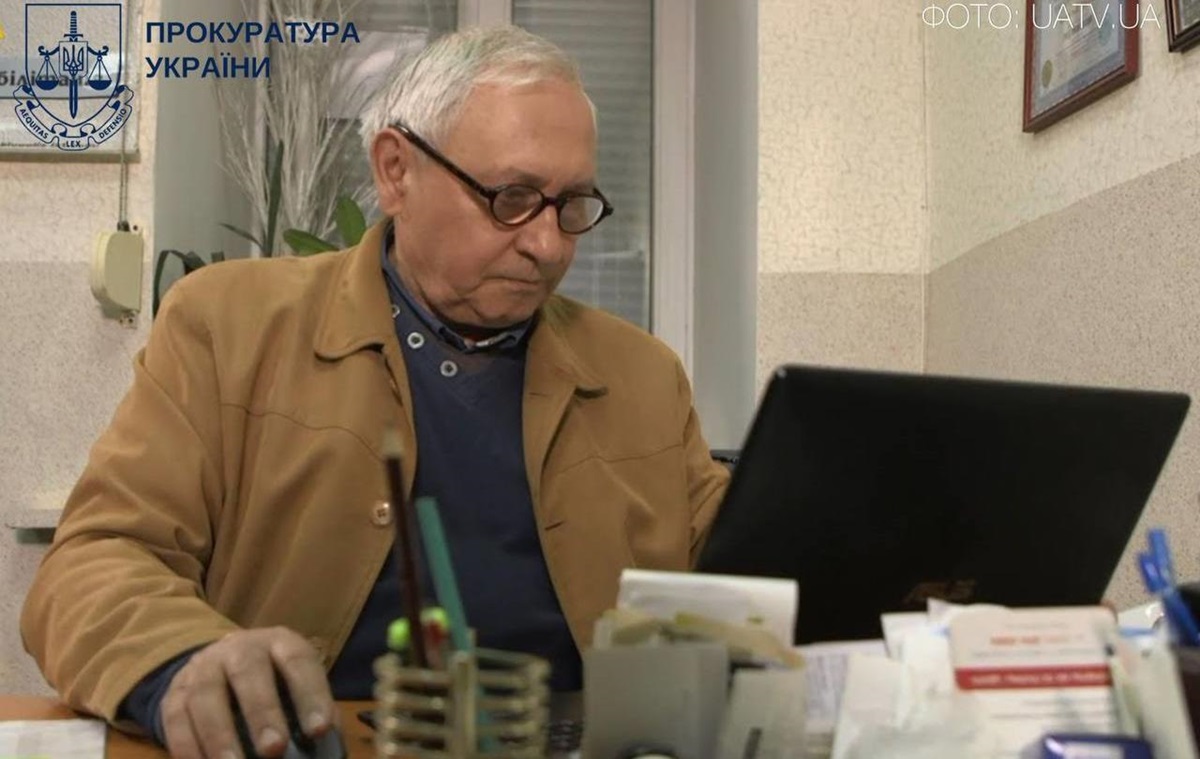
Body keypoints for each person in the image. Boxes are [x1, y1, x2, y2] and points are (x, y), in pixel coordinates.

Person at [20, 24, 729, 758]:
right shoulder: (229, 327)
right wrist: (184, 660)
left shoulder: (641, 374)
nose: (547, 244)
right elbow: (96, 563)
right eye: (512, 197)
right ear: (396, 172)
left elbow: (740, 555)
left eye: (572, 203)